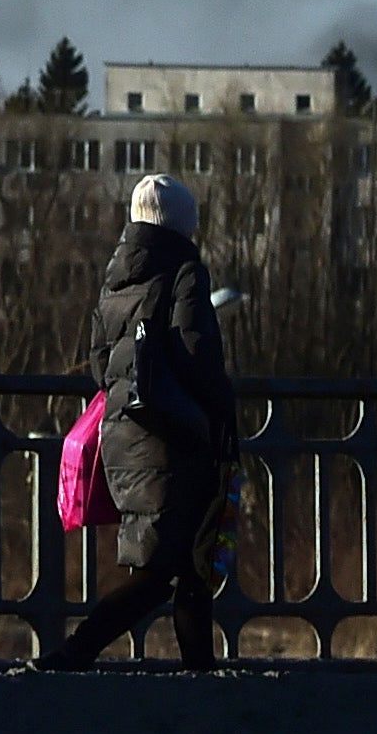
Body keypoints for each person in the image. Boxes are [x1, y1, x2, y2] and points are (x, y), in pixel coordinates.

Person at [43, 174, 236, 669]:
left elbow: (98, 364)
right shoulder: (186, 272)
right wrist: (219, 416)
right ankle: (75, 652)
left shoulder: (116, 279)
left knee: (182, 560)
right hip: (176, 439)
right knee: (165, 569)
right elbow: (197, 353)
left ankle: (202, 673)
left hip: (125, 433)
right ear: (185, 223)